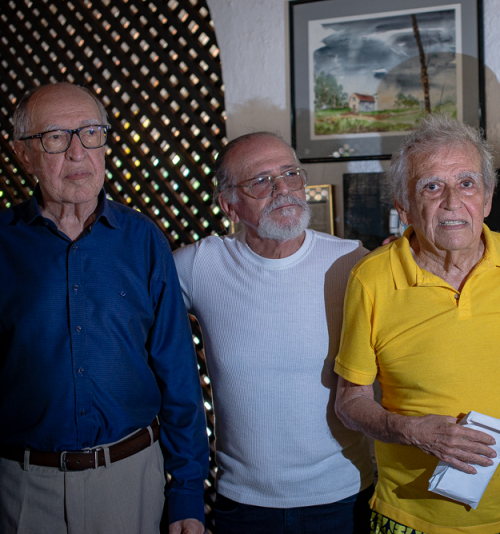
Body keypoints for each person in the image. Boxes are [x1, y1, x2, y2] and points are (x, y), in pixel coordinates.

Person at [0, 82, 208, 534]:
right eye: (55, 137)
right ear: (23, 154)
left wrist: (188, 491)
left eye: (91, 132)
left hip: (129, 480)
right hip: (20, 487)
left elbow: (178, 373)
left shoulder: (144, 240)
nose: (78, 152)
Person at [172, 132, 375, 534]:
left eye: (290, 174)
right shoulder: (199, 266)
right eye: (261, 181)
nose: (283, 189)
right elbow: (129, 318)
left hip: (344, 497)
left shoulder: (352, 261)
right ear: (229, 204)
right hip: (244, 504)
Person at [335, 114, 500, 534]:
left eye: (467, 183)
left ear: (489, 198)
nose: (453, 202)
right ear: (403, 206)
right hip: (410, 519)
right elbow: (349, 402)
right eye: (432, 186)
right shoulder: (372, 278)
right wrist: (411, 430)